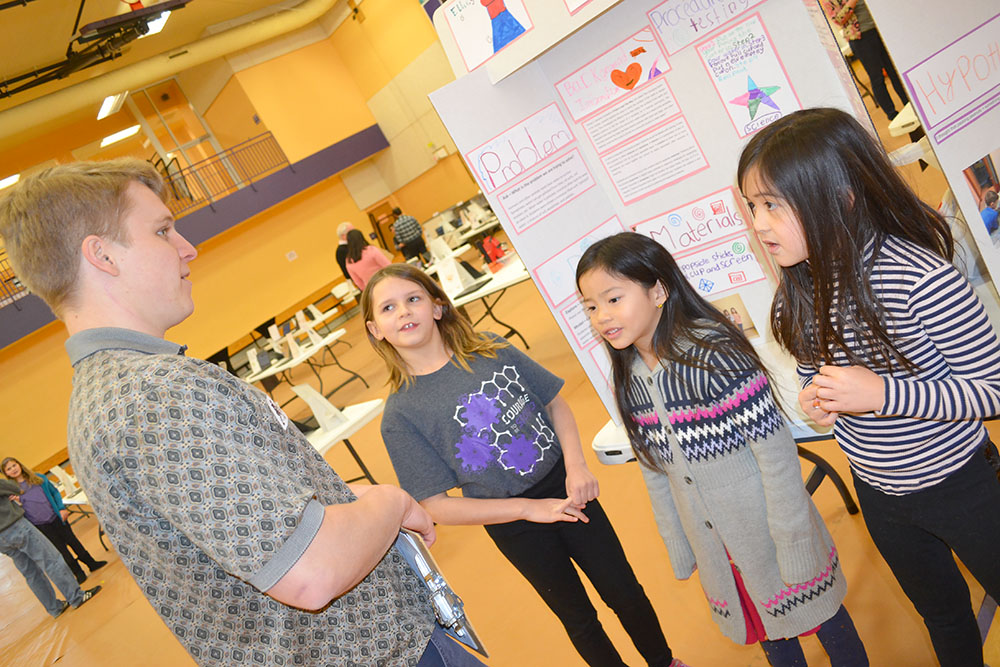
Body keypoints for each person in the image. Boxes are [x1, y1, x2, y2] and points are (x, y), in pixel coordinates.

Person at [0, 158, 485, 667]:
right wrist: (390, 502)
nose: (187, 247)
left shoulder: (111, 393)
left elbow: (247, 532)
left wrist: (341, 501)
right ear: (102, 255)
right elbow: (310, 572)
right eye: (163, 230)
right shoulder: (154, 396)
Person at [737, 107, 1000, 667]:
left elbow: (993, 389)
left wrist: (882, 394)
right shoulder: (801, 288)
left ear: (842, 197)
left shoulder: (918, 276)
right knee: (944, 616)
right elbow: (818, 369)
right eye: (753, 206)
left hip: (965, 487)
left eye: (773, 205)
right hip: (882, 495)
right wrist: (816, 395)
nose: (758, 224)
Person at [362, 263, 687, 667]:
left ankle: (664, 661)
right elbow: (436, 505)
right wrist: (528, 510)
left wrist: (576, 467)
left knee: (624, 591)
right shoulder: (401, 415)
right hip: (513, 523)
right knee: (579, 618)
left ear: (438, 306)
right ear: (375, 329)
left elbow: (554, 403)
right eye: (389, 308)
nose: (405, 312)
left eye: (413, 299)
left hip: (567, 490)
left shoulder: (491, 349)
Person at [576, 233, 867, 667]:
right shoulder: (631, 375)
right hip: (718, 543)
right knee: (770, 632)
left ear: (658, 289)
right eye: (591, 307)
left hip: (769, 528)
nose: (602, 316)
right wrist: (677, 538)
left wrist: (790, 534)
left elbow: (776, 453)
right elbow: (656, 470)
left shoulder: (714, 352)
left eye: (613, 299)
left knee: (823, 617)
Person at [0, 477, 101, 618]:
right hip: (16, 527)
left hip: (2, 541)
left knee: (31, 573)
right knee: (51, 560)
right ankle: (76, 597)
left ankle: (54, 608)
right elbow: (16, 489)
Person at [2, 456, 107, 584]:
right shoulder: (12, 492)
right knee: (61, 550)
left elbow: (55, 493)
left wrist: (61, 508)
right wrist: (18, 502)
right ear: (5, 473)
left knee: (73, 541)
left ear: (20, 464)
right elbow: (17, 511)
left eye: (14, 465)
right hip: (41, 526)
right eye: (8, 469)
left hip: (56, 517)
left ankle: (91, 563)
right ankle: (78, 572)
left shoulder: (38, 478)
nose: (13, 469)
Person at [820, 0, 909, 120]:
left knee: (894, 71)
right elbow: (838, 19)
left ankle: (908, 103)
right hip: (860, 38)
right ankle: (892, 114)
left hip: (879, 29)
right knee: (877, 77)